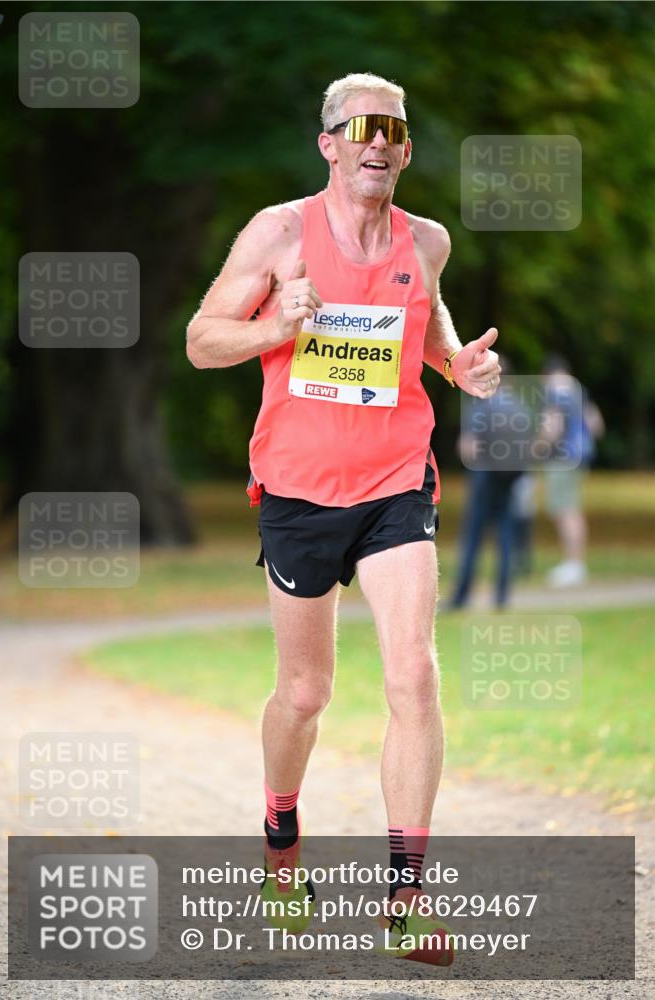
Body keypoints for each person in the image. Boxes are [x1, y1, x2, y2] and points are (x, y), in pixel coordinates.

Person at [186, 72, 501, 964]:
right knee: (305, 693)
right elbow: (200, 339)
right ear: (327, 143)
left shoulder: (425, 242)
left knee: (414, 678)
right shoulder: (278, 232)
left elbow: (433, 340)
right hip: (295, 486)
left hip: (397, 479)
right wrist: (272, 328)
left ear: (403, 149)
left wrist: (461, 369)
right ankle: (281, 844)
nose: (377, 142)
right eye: (359, 127)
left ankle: (405, 896)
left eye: (393, 130)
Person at [448, 361, 528, 609]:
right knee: (505, 533)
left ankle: (461, 597)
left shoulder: (481, 404)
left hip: (483, 475)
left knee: (473, 536)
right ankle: (502, 596)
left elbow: (467, 447)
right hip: (510, 477)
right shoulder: (520, 408)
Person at [540, 355, 604, 587]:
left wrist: (537, 448)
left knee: (566, 510)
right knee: (572, 508)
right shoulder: (579, 389)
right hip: (580, 457)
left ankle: (574, 565)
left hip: (562, 458)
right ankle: (575, 563)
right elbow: (597, 425)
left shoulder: (555, 391)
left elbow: (553, 427)